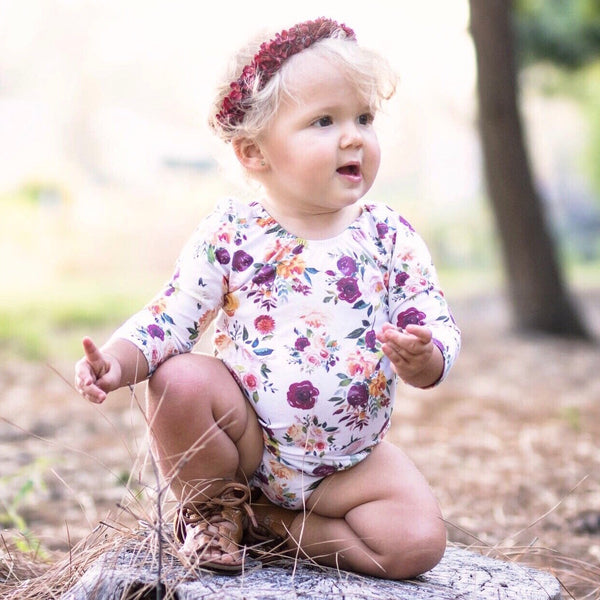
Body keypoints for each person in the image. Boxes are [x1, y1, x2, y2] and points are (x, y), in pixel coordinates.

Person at [74, 17, 461, 580]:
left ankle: (266, 525)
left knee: (416, 544)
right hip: (249, 447)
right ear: (254, 152)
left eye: (364, 118)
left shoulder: (388, 235)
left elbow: (431, 316)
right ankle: (212, 510)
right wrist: (116, 362)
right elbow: (171, 319)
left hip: (349, 464)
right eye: (324, 121)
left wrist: (427, 357)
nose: (353, 136)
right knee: (178, 379)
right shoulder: (233, 231)